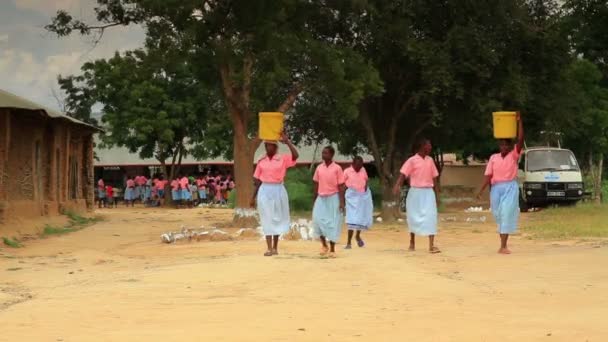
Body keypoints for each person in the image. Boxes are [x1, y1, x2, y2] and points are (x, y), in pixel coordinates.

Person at [477, 112, 524, 254]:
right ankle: (502, 244)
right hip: (496, 189)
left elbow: (521, 139)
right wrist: (480, 190)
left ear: (510, 147)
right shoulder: (493, 158)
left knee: (506, 214)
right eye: (501, 144)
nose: (503, 147)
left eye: (506, 145)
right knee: (498, 215)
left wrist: (519, 121)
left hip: (510, 187)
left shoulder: (513, 156)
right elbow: (488, 176)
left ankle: (503, 246)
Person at [251, 132, 299, 256]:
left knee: (276, 217)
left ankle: (275, 248)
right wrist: (253, 197)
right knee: (267, 218)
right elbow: (257, 180)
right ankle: (268, 248)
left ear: (276, 147)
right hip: (264, 190)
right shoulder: (261, 160)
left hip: (278, 189)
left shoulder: (282, 158)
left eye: (271, 146)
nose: (268, 148)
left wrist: (287, 142)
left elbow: (295, 156)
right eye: (266, 146)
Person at [393, 138, 441, 254]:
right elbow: (403, 174)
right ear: (422, 146)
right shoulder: (412, 160)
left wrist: (437, 193)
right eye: (428, 146)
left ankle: (431, 245)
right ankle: (412, 242)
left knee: (431, 217)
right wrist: (397, 185)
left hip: (428, 192)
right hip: (415, 192)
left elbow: (434, 177)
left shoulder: (430, 160)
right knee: (413, 217)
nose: (430, 148)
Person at [312, 146, 346, 258]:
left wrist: (342, 202)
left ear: (331, 155)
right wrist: (314, 199)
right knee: (317, 221)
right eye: (323, 153)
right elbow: (316, 184)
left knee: (332, 223)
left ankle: (332, 249)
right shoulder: (319, 168)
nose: (323, 155)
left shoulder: (337, 168)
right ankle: (324, 245)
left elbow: (341, 186)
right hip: (321, 198)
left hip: (333, 198)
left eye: (326, 153)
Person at [343, 156, 373, 249]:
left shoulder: (363, 170)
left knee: (360, 218)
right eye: (357, 165)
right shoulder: (347, 171)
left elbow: (366, 180)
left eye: (361, 165)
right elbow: (342, 184)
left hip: (362, 197)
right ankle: (348, 243)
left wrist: (365, 192)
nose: (359, 167)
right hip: (351, 197)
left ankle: (357, 236)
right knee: (351, 219)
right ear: (353, 164)